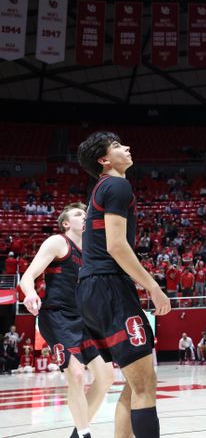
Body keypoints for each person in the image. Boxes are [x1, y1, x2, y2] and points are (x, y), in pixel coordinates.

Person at [76, 131, 171, 438]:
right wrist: (152, 286)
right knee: (144, 385)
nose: (127, 147)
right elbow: (116, 246)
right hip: (109, 287)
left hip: (93, 289)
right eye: (117, 146)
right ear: (104, 159)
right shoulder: (117, 184)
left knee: (134, 385)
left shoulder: (100, 189)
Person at [19, 202, 115, 438]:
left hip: (85, 318)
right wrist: (30, 293)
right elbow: (28, 276)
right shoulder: (58, 242)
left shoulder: (93, 251)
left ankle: (78, 432)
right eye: (77, 214)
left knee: (107, 377)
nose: (84, 216)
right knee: (77, 374)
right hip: (57, 316)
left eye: (86, 213)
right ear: (65, 223)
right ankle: (84, 434)